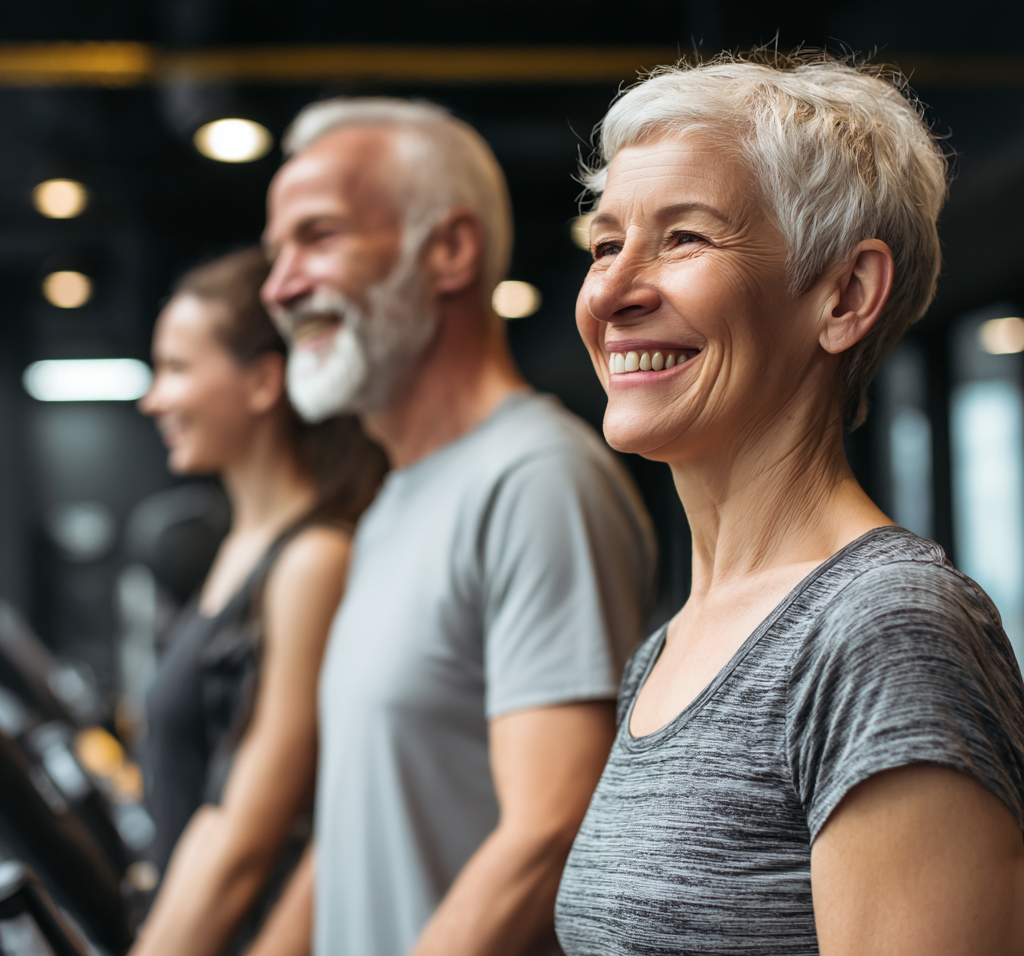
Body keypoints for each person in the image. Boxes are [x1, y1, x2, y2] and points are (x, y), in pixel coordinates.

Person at [552, 52, 1024, 955]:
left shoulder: (884, 627)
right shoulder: (668, 648)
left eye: (685, 238)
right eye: (607, 243)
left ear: (844, 296)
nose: (610, 291)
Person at [251, 97, 656, 956]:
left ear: (449, 250)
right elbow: (361, 818)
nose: (279, 287)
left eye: (317, 238)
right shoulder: (398, 497)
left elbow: (550, 831)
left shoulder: (536, 478)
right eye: (276, 253)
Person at [132, 248, 387, 956]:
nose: (154, 398)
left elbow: (248, 840)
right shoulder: (239, 545)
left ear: (264, 381)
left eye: (177, 369)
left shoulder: (312, 560)